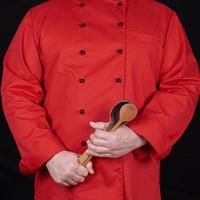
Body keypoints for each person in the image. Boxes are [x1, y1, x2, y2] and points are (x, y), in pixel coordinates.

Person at [1, 0, 200, 199]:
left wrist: (138, 135)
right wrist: (51, 155)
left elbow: (182, 86)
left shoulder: (161, 17)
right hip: (65, 173)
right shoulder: (40, 17)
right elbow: (18, 92)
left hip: (131, 174)